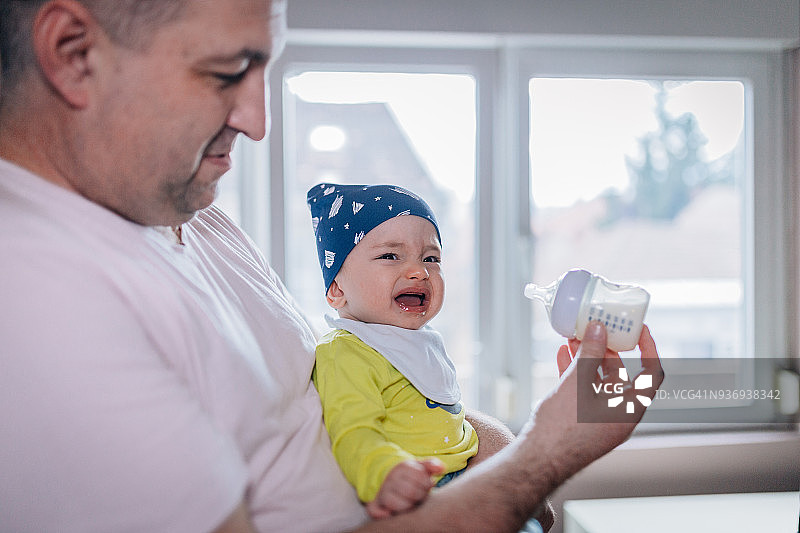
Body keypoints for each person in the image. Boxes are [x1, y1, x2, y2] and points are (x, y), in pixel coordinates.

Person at [0, 1, 664, 532]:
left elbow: (321, 415)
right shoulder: (43, 305)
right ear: (73, 53)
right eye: (228, 69)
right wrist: (545, 456)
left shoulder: (185, 209)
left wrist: (501, 456)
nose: (257, 120)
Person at [307, 183, 479, 518]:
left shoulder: (423, 341)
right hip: (418, 493)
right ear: (337, 290)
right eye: (389, 256)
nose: (419, 271)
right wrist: (386, 473)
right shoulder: (347, 352)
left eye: (431, 258)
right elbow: (353, 432)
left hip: (469, 479)